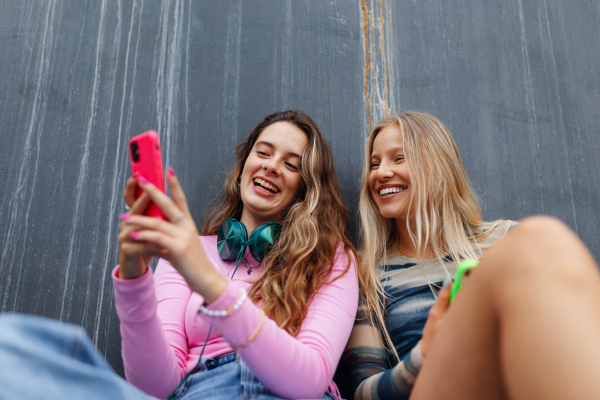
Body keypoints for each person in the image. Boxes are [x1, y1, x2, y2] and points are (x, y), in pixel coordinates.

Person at [0, 110, 361, 400]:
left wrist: (207, 281)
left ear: (305, 189)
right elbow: (155, 387)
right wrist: (134, 277)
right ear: (243, 169)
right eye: (263, 153)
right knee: (11, 345)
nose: (271, 165)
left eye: (292, 164)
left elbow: (309, 382)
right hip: (198, 391)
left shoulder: (331, 259)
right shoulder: (186, 252)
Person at [339, 111, 600, 400]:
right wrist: (425, 352)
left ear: (437, 165)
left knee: (542, 236)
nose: (380, 172)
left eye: (398, 158)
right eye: (374, 163)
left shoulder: (506, 241)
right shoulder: (367, 270)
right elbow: (363, 393)